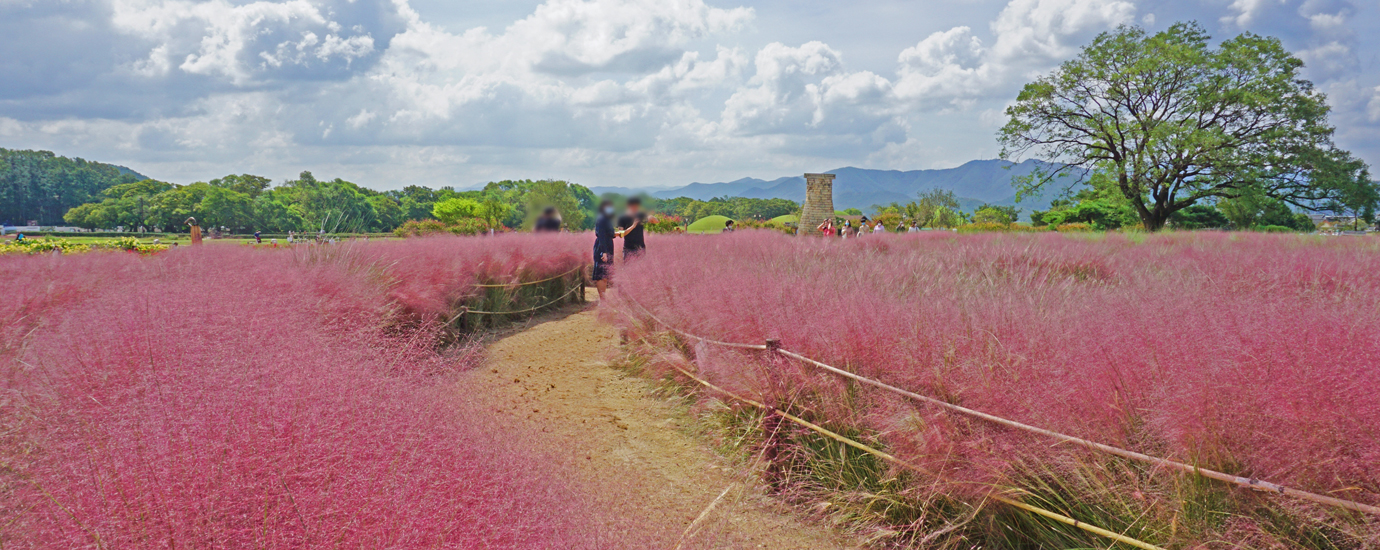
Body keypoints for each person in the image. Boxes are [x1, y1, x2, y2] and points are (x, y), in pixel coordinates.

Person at [592, 200, 617, 300]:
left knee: (605, 275)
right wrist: (604, 252)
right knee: (601, 274)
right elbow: (601, 236)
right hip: (602, 249)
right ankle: (602, 299)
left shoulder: (607, 219)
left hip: (608, 247)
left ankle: (603, 298)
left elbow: (609, 233)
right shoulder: (601, 219)